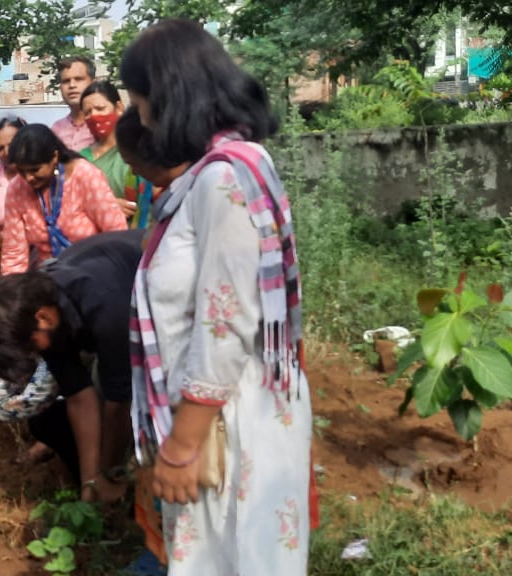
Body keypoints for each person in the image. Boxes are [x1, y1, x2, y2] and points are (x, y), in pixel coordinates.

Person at [122, 19, 311, 576]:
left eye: (140, 101)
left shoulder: (222, 181)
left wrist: (182, 445)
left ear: (166, 95)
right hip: (225, 411)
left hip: (225, 424)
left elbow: (225, 323)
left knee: (229, 558)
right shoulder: (219, 173)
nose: (143, 118)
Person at [0, 230, 145, 503]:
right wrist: (91, 481)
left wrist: (108, 475)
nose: (35, 354)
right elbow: (78, 395)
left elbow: (118, 403)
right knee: (51, 419)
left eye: (30, 348)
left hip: (168, 318)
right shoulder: (41, 312)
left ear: (42, 318)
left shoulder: (103, 309)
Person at [0, 124, 127, 274]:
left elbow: (116, 233)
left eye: (35, 170)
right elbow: (14, 253)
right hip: (49, 277)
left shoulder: (84, 176)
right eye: (22, 171)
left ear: (54, 157)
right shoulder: (17, 189)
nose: (28, 178)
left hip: (95, 272)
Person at [79, 80, 147, 226]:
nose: (94, 116)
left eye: (100, 108)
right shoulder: (81, 159)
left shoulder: (138, 151)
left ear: (119, 107)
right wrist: (105, 205)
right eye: (87, 112)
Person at [50, 56, 96, 151]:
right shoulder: (57, 129)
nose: (72, 85)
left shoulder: (107, 124)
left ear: (93, 83)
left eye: (79, 79)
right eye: (66, 81)